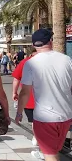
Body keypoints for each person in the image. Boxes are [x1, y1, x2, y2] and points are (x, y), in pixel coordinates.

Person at [16, 29, 72, 161]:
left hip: (45, 118)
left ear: (33, 45)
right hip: (66, 116)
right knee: (55, 150)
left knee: (51, 155)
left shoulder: (31, 63)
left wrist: (19, 113)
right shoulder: (67, 60)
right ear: (50, 42)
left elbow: (24, 92)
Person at [12, 48, 44, 159]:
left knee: (34, 121)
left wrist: (14, 92)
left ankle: (39, 141)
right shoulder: (49, 61)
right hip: (46, 100)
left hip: (29, 99)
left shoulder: (25, 63)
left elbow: (16, 79)